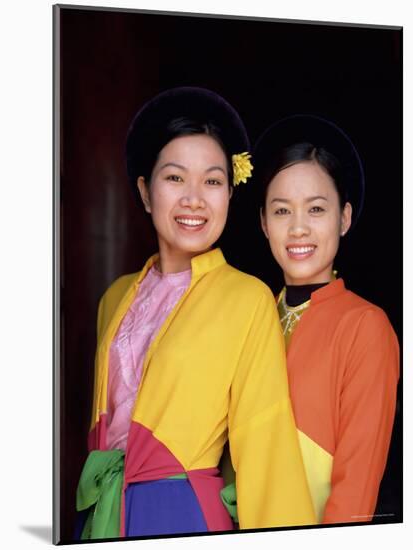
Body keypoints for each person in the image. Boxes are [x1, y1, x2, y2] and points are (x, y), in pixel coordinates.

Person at [74, 89, 316, 540]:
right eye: (174, 178)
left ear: (229, 192)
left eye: (212, 181)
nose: (194, 199)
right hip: (99, 512)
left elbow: (266, 443)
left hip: (182, 515)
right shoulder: (115, 297)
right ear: (146, 192)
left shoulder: (247, 299)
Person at [221, 114, 399, 525]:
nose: (298, 228)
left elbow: (355, 489)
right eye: (282, 211)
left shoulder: (365, 327)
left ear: (345, 218)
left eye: (316, 209)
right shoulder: (250, 314)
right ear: (264, 223)